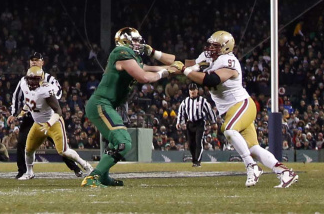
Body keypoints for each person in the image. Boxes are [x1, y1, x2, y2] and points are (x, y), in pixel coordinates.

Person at [183, 31, 298, 188]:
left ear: (225, 47)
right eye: (210, 45)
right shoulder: (208, 57)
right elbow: (187, 63)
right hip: (232, 110)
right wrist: (157, 56)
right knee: (254, 148)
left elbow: (211, 79)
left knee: (229, 130)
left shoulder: (228, 60)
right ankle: (284, 172)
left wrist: (186, 71)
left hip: (241, 105)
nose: (210, 48)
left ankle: (251, 166)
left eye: (215, 46)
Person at [81, 27, 181, 188]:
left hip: (108, 105)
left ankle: (103, 176)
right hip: (101, 104)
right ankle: (93, 177)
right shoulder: (121, 52)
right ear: (124, 40)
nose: (138, 43)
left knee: (116, 143)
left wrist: (174, 68)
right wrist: (165, 73)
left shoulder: (134, 59)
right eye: (134, 40)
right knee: (123, 142)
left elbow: (156, 68)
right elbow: (144, 77)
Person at [18, 66, 92, 180]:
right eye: (30, 79)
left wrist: (49, 124)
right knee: (28, 150)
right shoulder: (23, 84)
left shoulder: (45, 90)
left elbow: (58, 111)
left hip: (53, 122)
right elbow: (29, 102)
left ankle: (86, 165)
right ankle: (29, 173)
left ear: (40, 79)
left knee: (63, 151)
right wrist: (22, 112)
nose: (32, 81)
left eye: (35, 79)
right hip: (38, 124)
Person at [176, 83, 217, 166]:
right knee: (191, 144)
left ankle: (197, 162)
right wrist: (178, 122)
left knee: (198, 142)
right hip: (190, 123)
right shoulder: (185, 101)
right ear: (189, 91)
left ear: (197, 91)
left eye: (194, 90)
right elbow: (181, 112)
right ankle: (194, 159)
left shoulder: (202, 100)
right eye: (191, 90)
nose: (192, 91)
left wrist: (214, 122)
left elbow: (210, 111)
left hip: (200, 123)